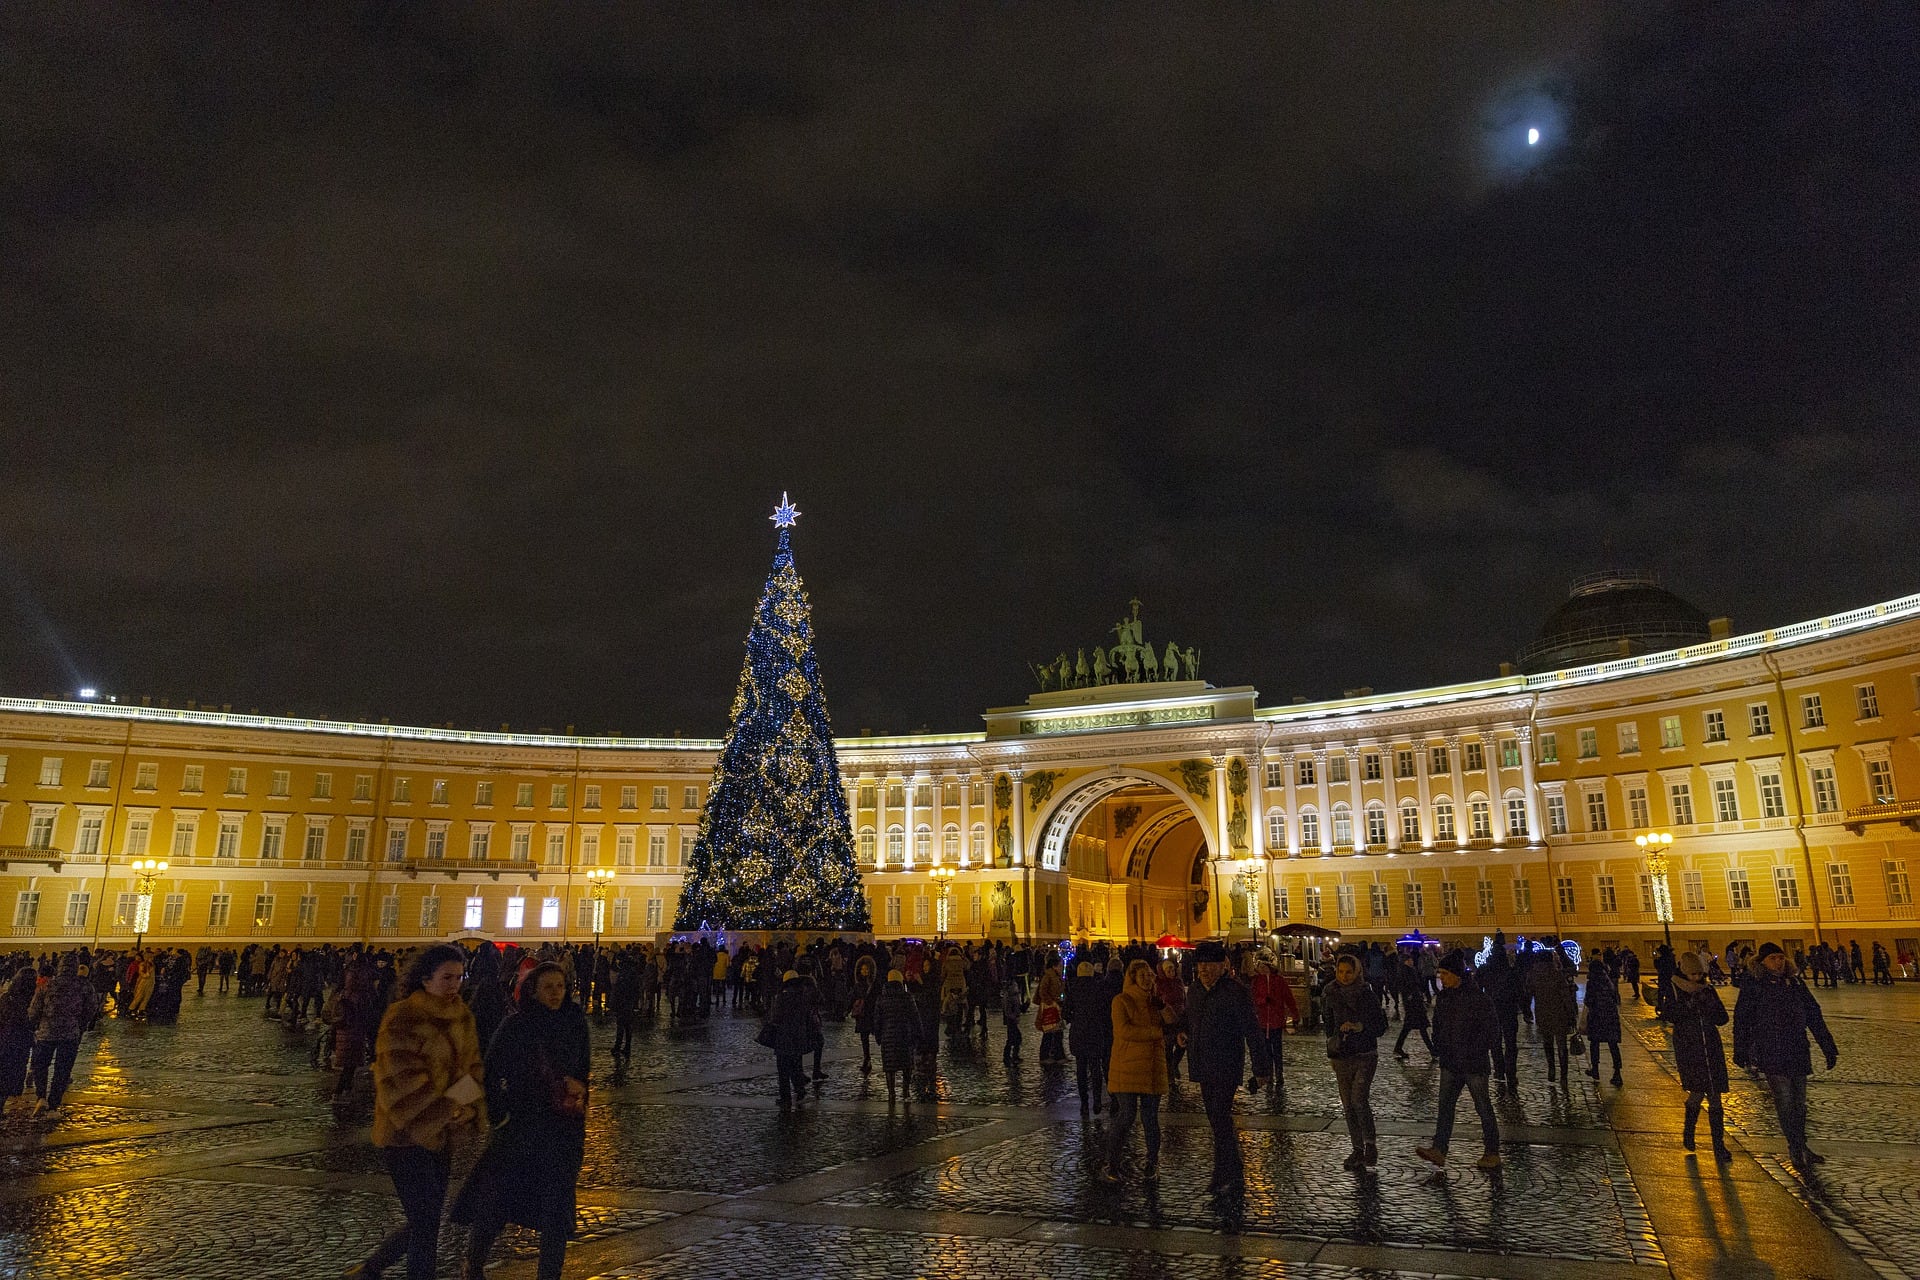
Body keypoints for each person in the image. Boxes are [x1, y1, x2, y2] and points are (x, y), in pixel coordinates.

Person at [345, 945, 487, 1280]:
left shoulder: (461, 1015)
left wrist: (462, 1109)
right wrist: (448, 1109)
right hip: (404, 1138)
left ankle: (370, 1270)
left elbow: (474, 1069)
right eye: (446, 977)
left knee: (427, 1221)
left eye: (459, 977)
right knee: (425, 1224)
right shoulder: (403, 1017)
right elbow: (401, 1082)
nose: (454, 984)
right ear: (425, 979)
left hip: (442, 1136)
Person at [454, 961, 589, 1280]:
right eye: (548, 987)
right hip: (521, 1131)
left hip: (562, 1130)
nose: (556, 993)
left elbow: (584, 1067)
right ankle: (473, 1264)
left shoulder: (574, 1022)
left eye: (560, 986)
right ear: (533, 991)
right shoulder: (516, 1026)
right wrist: (500, 1116)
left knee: (556, 1212)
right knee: (497, 1203)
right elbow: (490, 1072)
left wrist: (579, 1086)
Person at [1732, 942, 1838, 1170]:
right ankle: (1795, 1146)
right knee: (1785, 1101)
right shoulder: (1754, 985)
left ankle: (1802, 1146)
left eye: (1781, 957)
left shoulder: (1795, 983)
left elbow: (1813, 1014)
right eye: (1773, 958)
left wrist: (1828, 1046)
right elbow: (1742, 1019)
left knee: (1799, 1103)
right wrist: (1740, 1049)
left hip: (1798, 1049)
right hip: (1771, 1050)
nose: (1778, 962)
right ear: (1762, 962)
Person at [1179, 940, 1271, 1196]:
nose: (1204, 970)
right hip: (1201, 1064)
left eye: (1209, 965)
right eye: (1200, 965)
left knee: (1219, 1118)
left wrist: (1261, 1068)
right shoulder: (1195, 991)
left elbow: (1251, 1031)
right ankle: (1233, 1167)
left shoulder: (1235, 992)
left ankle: (1223, 1173)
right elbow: (1190, 1019)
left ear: (1222, 966)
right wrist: (1182, 1033)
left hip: (1226, 1064)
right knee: (1216, 1120)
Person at [1414, 950, 1502, 1170]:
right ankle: (1439, 1150)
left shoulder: (1478, 998)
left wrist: (1476, 1050)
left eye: (1444, 973)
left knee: (1483, 1108)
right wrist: (1439, 1046)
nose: (1440, 978)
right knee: (1445, 1107)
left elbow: (1491, 1031)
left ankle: (1492, 1152)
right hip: (1451, 1062)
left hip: (1473, 1064)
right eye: (1439, 973)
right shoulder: (1444, 998)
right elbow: (1439, 1026)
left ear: (1456, 974)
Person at [1098, 959, 1169, 1184]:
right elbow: (1124, 1031)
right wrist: (1155, 1033)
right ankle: (1112, 1162)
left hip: (1151, 1068)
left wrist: (1164, 1007)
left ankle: (1152, 1162)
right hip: (1126, 1067)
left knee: (1150, 1119)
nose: (1148, 979)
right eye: (1143, 975)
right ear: (1132, 978)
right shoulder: (1122, 1001)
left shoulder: (1155, 1003)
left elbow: (1173, 1022)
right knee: (1126, 1116)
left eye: (1150, 975)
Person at [1662, 950, 1733, 1163]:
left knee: (1715, 1096)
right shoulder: (1675, 990)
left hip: (1711, 1047)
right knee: (1696, 1093)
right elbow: (1668, 1015)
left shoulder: (1708, 990)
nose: (1697, 978)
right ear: (1685, 973)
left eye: (1700, 974)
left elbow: (1722, 1019)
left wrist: (1708, 1005)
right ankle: (1689, 1132)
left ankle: (1718, 1146)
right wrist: (1687, 1008)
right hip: (1689, 1048)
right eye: (1693, 974)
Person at [1324, 951, 1388, 1170]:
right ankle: (1357, 1149)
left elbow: (1381, 1026)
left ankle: (1370, 1144)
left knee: (1359, 1099)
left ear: (1357, 972)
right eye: (1341, 972)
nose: (1344, 976)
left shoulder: (1366, 994)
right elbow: (1328, 1025)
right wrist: (1333, 1042)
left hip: (1364, 1054)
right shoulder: (1330, 993)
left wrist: (1361, 1026)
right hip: (1342, 1055)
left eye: (1349, 972)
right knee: (1348, 1106)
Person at [25, 954, 95, 1116]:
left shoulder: (48, 985)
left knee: (40, 1065)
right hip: (70, 1033)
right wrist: (80, 1024)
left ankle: (41, 1096)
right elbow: (91, 1009)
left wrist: (35, 1025)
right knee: (62, 1070)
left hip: (45, 1032)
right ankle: (54, 1104)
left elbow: (34, 1010)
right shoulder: (84, 986)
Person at [1066, 960, 1114, 1117]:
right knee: (1095, 1067)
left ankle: (1084, 1103)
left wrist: (1074, 1018)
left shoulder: (1073, 988)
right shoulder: (1099, 987)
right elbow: (1105, 1010)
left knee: (1080, 1068)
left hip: (1078, 1031)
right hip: (1095, 1030)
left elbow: (1066, 1012)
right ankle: (1098, 1100)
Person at [765, 970, 814, 1109]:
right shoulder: (803, 997)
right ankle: (800, 1090)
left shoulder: (781, 998)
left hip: (783, 1037)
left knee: (783, 1069)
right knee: (797, 1066)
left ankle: (785, 1097)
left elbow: (775, 1018)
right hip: (799, 1036)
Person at [1528, 944, 1577, 1083]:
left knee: (1547, 1043)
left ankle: (1551, 1069)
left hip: (1542, 1013)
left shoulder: (1533, 976)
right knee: (1562, 1045)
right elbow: (1566, 997)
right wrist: (1571, 1014)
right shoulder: (1557, 975)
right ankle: (1564, 1074)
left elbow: (1528, 993)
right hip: (1559, 1013)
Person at [1248, 955, 1299, 1088]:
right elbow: (1253, 999)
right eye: (1260, 967)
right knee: (1266, 1050)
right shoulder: (1256, 981)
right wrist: (1262, 1001)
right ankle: (1269, 1074)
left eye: (1264, 967)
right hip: (1263, 1021)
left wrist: (1295, 1014)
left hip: (1276, 1020)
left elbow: (1288, 997)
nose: (1262, 969)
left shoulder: (1279, 981)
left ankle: (1279, 1074)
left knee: (1277, 1049)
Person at [871, 969, 919, 1103]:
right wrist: (918, 1034)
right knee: (906, 1065)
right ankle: (906, 1090)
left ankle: (891, 1093)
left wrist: (878, 1036)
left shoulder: (881, 999)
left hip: (888, 1037)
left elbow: (877, 1020)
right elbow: (915, 1017)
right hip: (905, 1035)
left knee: (889, 1067)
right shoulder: (907, 997)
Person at [0, 969, 40, 1116]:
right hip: (23, 1039)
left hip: (6, 1038)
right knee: (18, 1067)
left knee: (4, 1069)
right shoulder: (32, 999)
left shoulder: (7, 997)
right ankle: (14, 1092)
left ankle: (3, 1101)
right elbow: (33, 1019)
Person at [1583, 956, 1623, 1085]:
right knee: (1613, 1045)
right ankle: (1617, 1072)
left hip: (1597, 1016)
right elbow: (1615, 998)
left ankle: (1595, 1069)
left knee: (1594, 1043)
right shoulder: (1608, 980)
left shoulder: (1592, 982)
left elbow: (1588, 1000)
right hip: (1610, 1016)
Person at [1394, 960, 1432, 1061]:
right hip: (1414, 1004)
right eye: (1409, 959)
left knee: (1410, 1028)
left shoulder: (1407, 971)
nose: (1411, 961)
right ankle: (1433, 1050)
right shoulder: (1407, 972)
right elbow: (1410, 986)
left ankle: (1398, 1047)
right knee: (1420, 1028)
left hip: (1414, 1003)